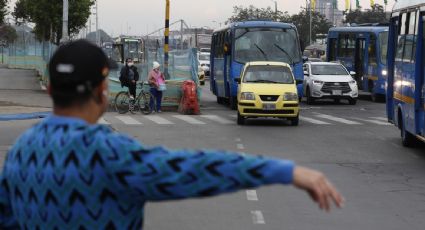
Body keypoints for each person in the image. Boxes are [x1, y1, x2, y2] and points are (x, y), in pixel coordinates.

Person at [0, 40, 344, 230]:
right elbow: (194, 169)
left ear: (49, 90)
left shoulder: (21, 152)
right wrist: (284, 171)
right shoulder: (109, 153)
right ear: (103, 90)